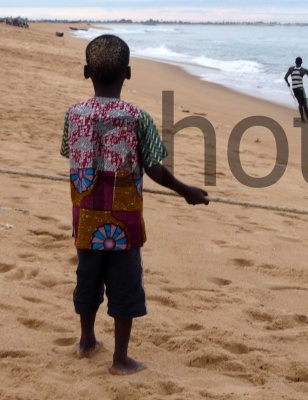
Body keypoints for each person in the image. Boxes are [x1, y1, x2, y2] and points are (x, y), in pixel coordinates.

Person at [60, 34, 209, 375]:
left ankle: (86, 341)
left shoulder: (74, 114)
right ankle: (120, 359)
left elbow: (71, 155)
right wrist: (185, 189)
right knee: (125, 285)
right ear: (128, 73)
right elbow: (154, 167)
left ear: (87, 72)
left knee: (87, 277)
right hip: (123, 223)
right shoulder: (137, 117)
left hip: (84, 217)